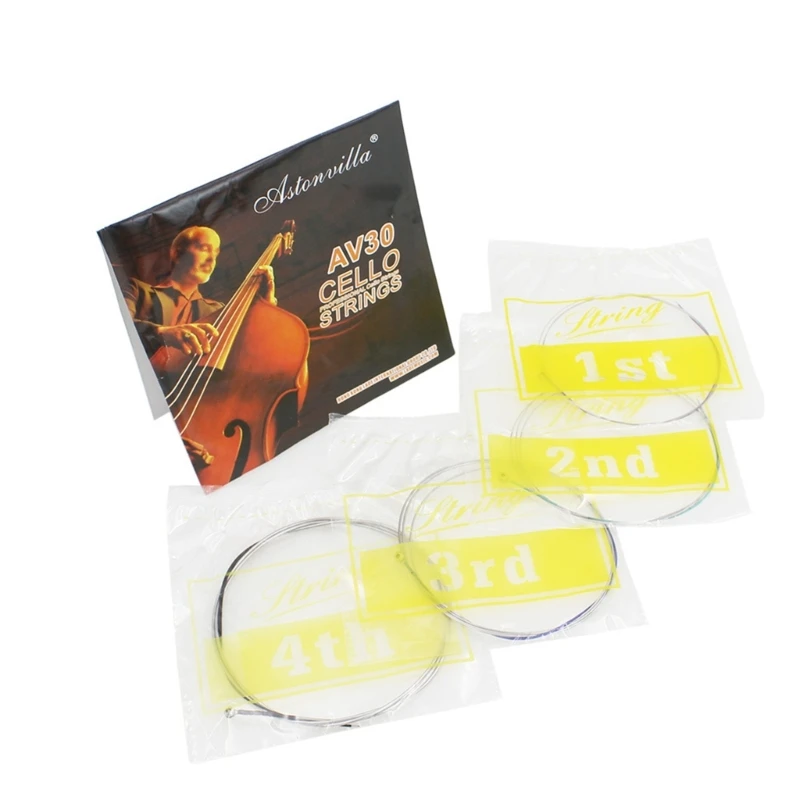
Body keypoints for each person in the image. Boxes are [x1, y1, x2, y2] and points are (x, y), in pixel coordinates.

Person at [124, 225, 278, 468]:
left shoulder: (220, 312)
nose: (211, 260)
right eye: (204, 249)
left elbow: (257, 359)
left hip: (202, 426)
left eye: (216, 253)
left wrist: (267, 307)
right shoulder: (138, 291)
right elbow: (117, 333)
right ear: (177, 253)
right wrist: (162, 333)